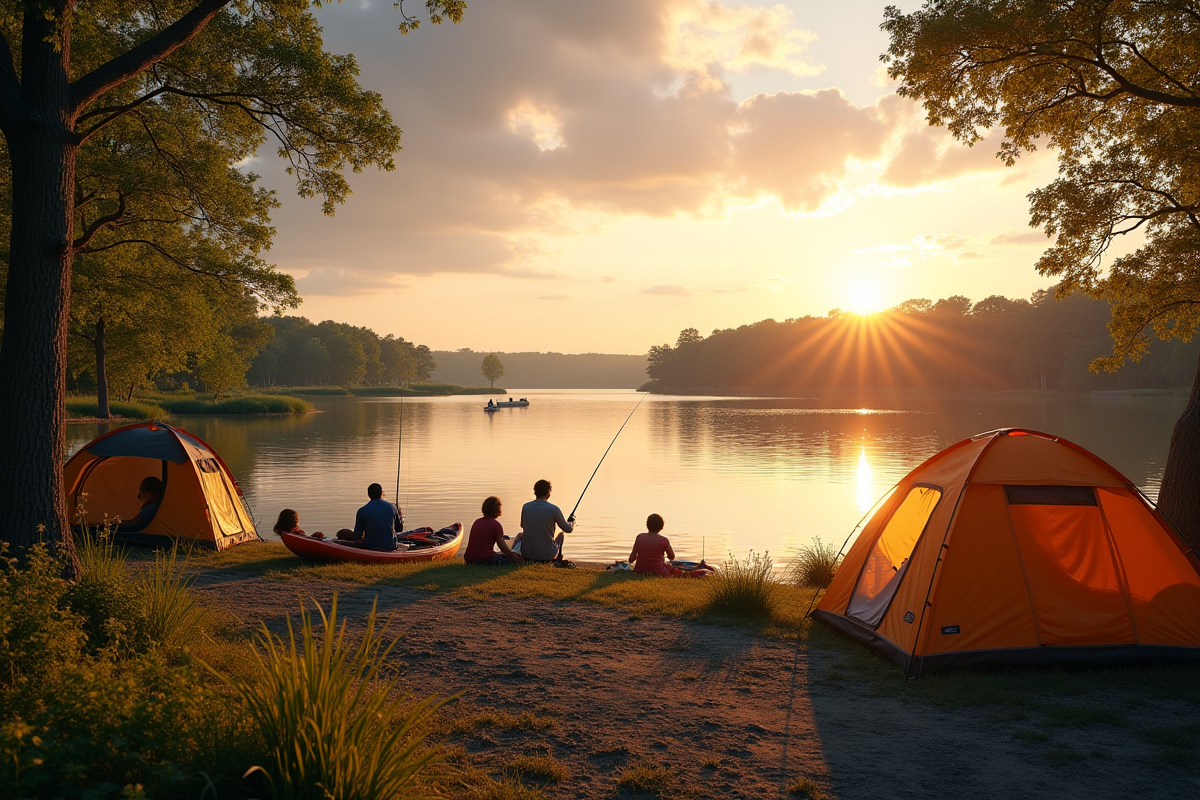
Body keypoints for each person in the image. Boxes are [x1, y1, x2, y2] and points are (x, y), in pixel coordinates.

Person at [519, 479, 574, 563]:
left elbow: (523, 525)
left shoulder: (526, 507)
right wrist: (571, 522)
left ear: (535, 492)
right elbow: (568, 529)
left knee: (521, 535)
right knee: (561, 535)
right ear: (548, 493)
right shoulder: (554, 509)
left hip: (527, 554)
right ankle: (558, 558)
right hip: (547, 555)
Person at [337, 483, 404, 551]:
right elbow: (399, 529)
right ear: (381, 493)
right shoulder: (393, 507)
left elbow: (357, 536)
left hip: (371, 546)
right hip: (390, 546)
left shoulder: (362, 511)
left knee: (342, 532)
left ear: (369, 495)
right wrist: (400, 516)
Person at [465, 496, 522, 565]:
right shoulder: (496, 525)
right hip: (485, 560)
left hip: (469, 559)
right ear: (497, 509)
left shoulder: (477, 522)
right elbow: (503, 547)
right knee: (515, 556)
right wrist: (513, 557)